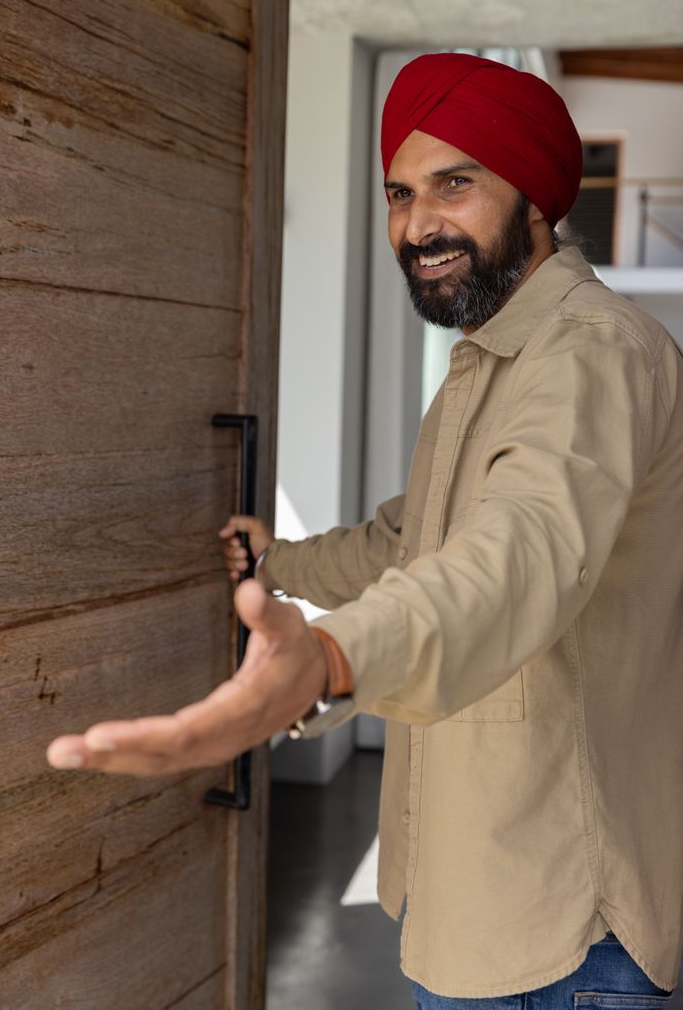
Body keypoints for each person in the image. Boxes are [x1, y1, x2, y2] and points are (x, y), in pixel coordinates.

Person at [48, 53, 683, 1007]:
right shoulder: (488, 362)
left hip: (559, 930)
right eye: (399, 192)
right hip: (478, 896)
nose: (417, 225)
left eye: (454, 185)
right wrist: (280, 560)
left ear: (537, 200)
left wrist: (328, 662)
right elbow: (408, 542)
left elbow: (521, 553)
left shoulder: (591, 354)